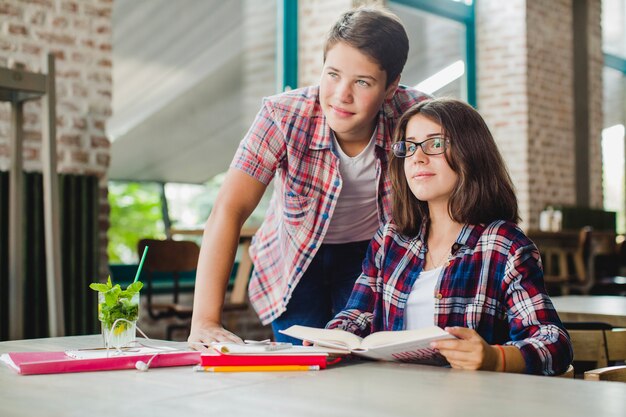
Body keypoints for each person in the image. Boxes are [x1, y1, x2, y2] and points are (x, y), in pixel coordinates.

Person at [188, 6, 430, 347]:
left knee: (360, 361)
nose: (341, 95)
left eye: (362, 82)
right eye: (333, 74)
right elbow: (228, 211)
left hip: (369, 258)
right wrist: (205, 321)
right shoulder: (283, 116)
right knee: (301, 366)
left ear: (391, 87)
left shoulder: (416, 117)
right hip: (293, 261)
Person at [326, 98, 573, 375]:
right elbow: (356, 316)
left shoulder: (504, 245)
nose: (417, 157)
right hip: (389, 400)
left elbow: (554, 343)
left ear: (471, 152)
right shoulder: (390, 239)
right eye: (408, 147)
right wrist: (332, 339)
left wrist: (494, 358)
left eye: (434, 144)